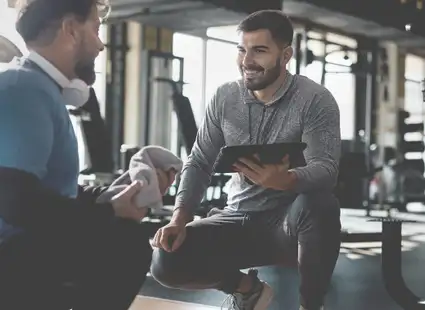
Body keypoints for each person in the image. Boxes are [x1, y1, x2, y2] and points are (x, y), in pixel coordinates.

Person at [150, 10, 342, 310]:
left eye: (260, 50)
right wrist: (179, 218)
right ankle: (248, 291)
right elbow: (199, 161)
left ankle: (311, 305)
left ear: (286, 54)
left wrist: (287, 179)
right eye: (242, 49)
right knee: (166, 258)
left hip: (288, 226)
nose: (247, 61)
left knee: (321, 205)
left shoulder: (314, 99)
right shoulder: (225, 97)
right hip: (237, 216)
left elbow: (327, 169)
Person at [0, 1, 173, 309]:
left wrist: (110, 196)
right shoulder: (24, 88)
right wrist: (108, 213)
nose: (101, 44)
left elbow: (48, 192)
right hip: (10, 258)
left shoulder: (37, 88)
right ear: (70, 29)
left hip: (21, 245)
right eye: (96, 29)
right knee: (126, 242)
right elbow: (13, 199)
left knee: (121, 232)